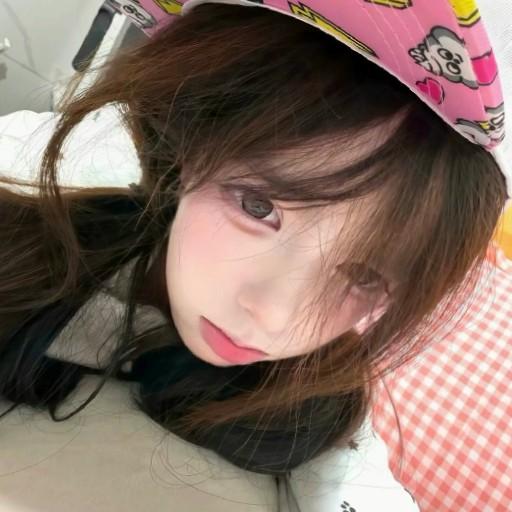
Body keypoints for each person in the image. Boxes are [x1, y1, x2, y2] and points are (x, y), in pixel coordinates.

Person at [0, 1, 510, 510]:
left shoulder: (318, 403)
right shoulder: (26, 249)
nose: (275, 314)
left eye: (364, 274)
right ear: (193, 143)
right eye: (258, 207)